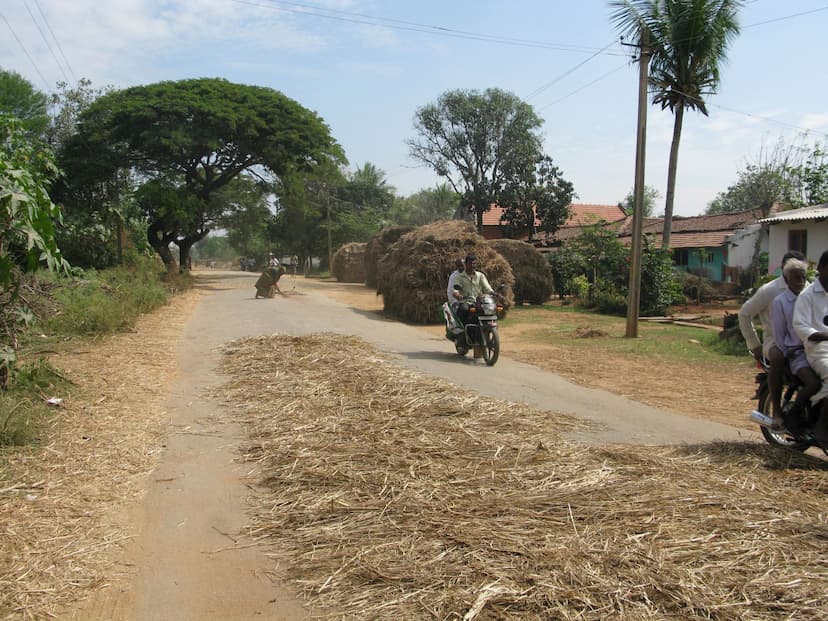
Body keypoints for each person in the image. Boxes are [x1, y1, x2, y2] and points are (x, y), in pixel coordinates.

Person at [738, 250, 806, 421]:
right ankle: (777, 410)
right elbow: (745, 313)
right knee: (778, 357)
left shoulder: (808, 288)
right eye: (793, 270)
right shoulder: (770, 291)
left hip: (804, 340)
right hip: (775, 340)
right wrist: (754, 344)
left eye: (802, 271)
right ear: (784, 269)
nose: (799, 277)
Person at [769, 258, 820, 429]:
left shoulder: (812, 297)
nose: (800, 281)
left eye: (803, 277)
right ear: (787, 279)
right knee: (813, 383)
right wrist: (786, 354)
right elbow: (779, 333)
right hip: (797, 351)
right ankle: (792, 414)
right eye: (796, 277)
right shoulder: (780, 302)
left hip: (817, 348)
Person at [792, 250, 828, 444]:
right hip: (818, 349)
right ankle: (821, 425)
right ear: (821, 269)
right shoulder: (807, 296)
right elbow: (801, 326)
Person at [452, 254, 494, 325]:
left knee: (491, 309)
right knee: (463, 309)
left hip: (479, 302)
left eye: (474, 263)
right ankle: (463, 329)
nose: (472, 266)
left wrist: (493, 293)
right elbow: (455, 290)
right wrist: (458, 295)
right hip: (466, 302)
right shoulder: (459, 277)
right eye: (470, 263)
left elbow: (487, 288)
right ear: (466, 264)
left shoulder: (480, 276)